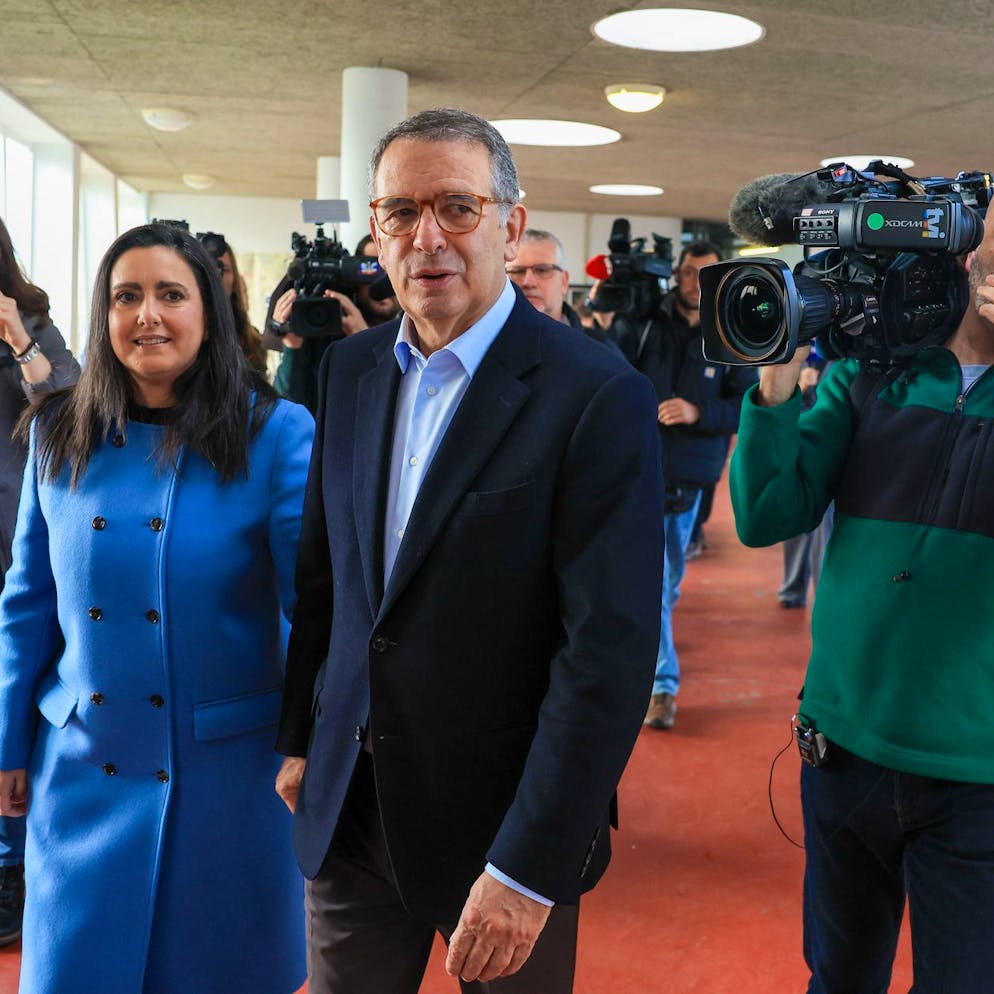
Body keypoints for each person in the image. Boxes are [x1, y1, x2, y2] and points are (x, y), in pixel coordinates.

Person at [274, 107, 664, 994]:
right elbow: (328, 577)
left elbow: (605, 655)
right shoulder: (351, 369)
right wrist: (303, 735)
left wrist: (530, 870)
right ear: (374, 230)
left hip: (503, 821)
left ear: (510, 224)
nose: (427, 238)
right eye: (400, 213)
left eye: (458, 207)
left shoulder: (596, 395)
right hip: (351, 810)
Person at [0, 223, 313, 994]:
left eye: (171, 294)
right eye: (126, 296)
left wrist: (314, 738)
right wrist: (7, 740)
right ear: (103, 317)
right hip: (83, 767)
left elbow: (315, 610)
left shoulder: (274, 433)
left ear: (208, 311)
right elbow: (28, 604)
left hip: (230, 781)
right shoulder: (55, 433)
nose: (148, 315)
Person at [729, 208, 994, 993]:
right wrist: (774, 381)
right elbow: (768, 514)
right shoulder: (869, 375)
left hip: (978, 777)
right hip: (842, 752)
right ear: (966, 247)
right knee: (840, 976)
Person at [0, 216, 81, 945]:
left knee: (15, 689)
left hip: (20, 536)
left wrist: (18, 338)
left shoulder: (33, 322)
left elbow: (68, 405)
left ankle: (11, 868)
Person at [636, 241, 756, 730]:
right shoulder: (646, 322)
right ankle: (662, 685)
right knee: (654, 583)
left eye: (703, 275)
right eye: (687, 273)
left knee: (667, 579)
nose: (693, 283)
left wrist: (698, 411)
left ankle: (656, 632)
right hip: (636, 470)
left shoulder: (729, 333)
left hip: (690, 475)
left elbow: (747, 407)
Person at [271, 235, 399, 413]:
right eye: (369, 268)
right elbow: (286, 411)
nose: (381, 281)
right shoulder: (330, 331)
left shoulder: (415, 333)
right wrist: (292, 348)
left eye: (390, 268)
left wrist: (366, 343)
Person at [507, 229, 620, 352]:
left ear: (564, 282)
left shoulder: (598, 349)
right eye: (517, 271)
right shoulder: (486, 346)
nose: (528, 282)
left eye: (542, 270)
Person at [197, 231, 268, 376]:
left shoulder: (253, 342)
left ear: (235, 278)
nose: (215, 277)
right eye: (207, 268)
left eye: (223, 269)